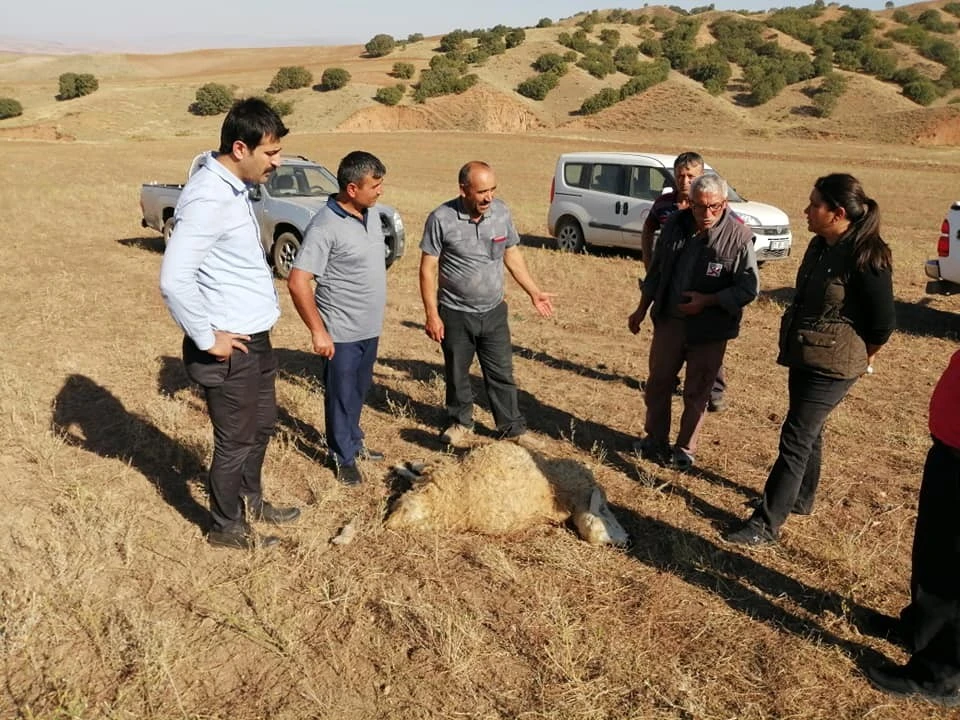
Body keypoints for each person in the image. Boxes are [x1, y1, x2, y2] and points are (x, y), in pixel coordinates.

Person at [159, 98, 300, 551]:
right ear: (240, 148)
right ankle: (226, 527)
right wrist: (207, 338)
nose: (278, 162)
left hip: (254, 336)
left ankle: (251, 501)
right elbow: (174, 279)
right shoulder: (207, 197)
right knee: (235, 441)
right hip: (230, 345)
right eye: (271, 153)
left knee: (260, 428)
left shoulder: (232, 186)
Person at [723, 173, 895, 546]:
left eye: (814, 204)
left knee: (796, 437)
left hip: (835, 365)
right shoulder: (820, 245)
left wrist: (864, 358)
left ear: (836, 212)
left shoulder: (868, 256)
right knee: (807, 432)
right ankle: (800, 499)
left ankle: (765, 524)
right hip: (805, 351)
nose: (806, 210)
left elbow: (883, 324)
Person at [419, 161, 555, 447]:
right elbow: (427, 268)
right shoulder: (441, 218)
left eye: (492, 189)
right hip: (455, 312)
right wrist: (432, 314)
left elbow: (512, 255)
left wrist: (533, 291)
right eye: (481, 191)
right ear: (463, 190)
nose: (488, 197)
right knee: (458, 373)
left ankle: (512, 428)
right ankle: (460, 423)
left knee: (501, 373)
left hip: (493, 311)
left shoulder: (501, 212)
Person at [628, 173, 758, 471]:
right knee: (658, 384)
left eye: (714, 206)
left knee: (697, 392)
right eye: (700, 207)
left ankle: (685, 450)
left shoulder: (739, 237)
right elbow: (658, 271)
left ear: (724, 203)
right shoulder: (675, 224)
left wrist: (708, 300)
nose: (707, 213)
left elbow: (748, 289)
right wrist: (641, 308)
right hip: (670, 323)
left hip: (709, 331)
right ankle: (654, 441)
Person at [865, 349, 960, 706]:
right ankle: (919, 628)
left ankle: (939, 675)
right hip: (949, 449)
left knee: (951, 568)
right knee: (933, 552)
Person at [287, 151, 388, 487]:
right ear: (351, 188)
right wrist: (319, 331)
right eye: (374, 185)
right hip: (340, 331)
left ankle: (354, 442)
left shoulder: (371, 215)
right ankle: (340, 455)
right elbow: (298, 280)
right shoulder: (324, 226)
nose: (380, 191)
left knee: (358, 391)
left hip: (369, 327)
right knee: (340, 394)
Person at [640, 151, 728, 412]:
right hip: (669, 283)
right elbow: (648, 228)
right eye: (680, 175)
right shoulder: (664, 203)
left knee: (706, 340)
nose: (685, 180)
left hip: (702, 285)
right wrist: (649, 263)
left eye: (691, 175)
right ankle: (668, 378)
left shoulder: (711, 205)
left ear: (702, 176)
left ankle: (714, 390)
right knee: (667, 335)